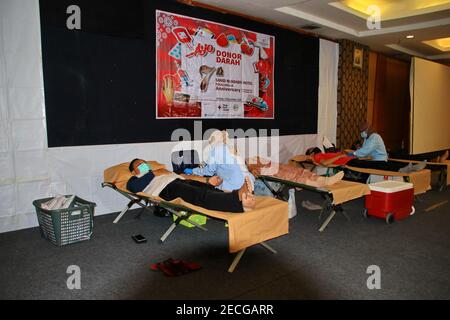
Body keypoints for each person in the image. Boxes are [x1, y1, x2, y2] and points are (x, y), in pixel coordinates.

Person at [126, 159, 255, 212]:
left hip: (179, 181)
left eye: (144, 163)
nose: (143, 165)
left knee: (208, 189)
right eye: (139, 165)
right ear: (133, 171)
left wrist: (206, 181)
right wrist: (150, 172)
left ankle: (240, 201)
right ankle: (237, 201)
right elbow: (134, 189)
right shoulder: (134, 179)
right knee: (199, 196)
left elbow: (184, 175)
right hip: (166, 189)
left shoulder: (161, 171)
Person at [184, 130, 273, 196]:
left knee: (213, 186)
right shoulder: (232, 149)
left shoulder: (216, 150)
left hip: (234, 187)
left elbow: (208, 171)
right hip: (250, 180)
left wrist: (192, 171)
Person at [246, 157, 345, 188]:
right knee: (288, 175)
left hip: (267, 164)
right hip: (258, 169)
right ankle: (316, 183)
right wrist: (251, 169)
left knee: (297, 170)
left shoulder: (250, 157)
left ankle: (323, 179)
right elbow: (249, 170)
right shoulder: (236, 162)